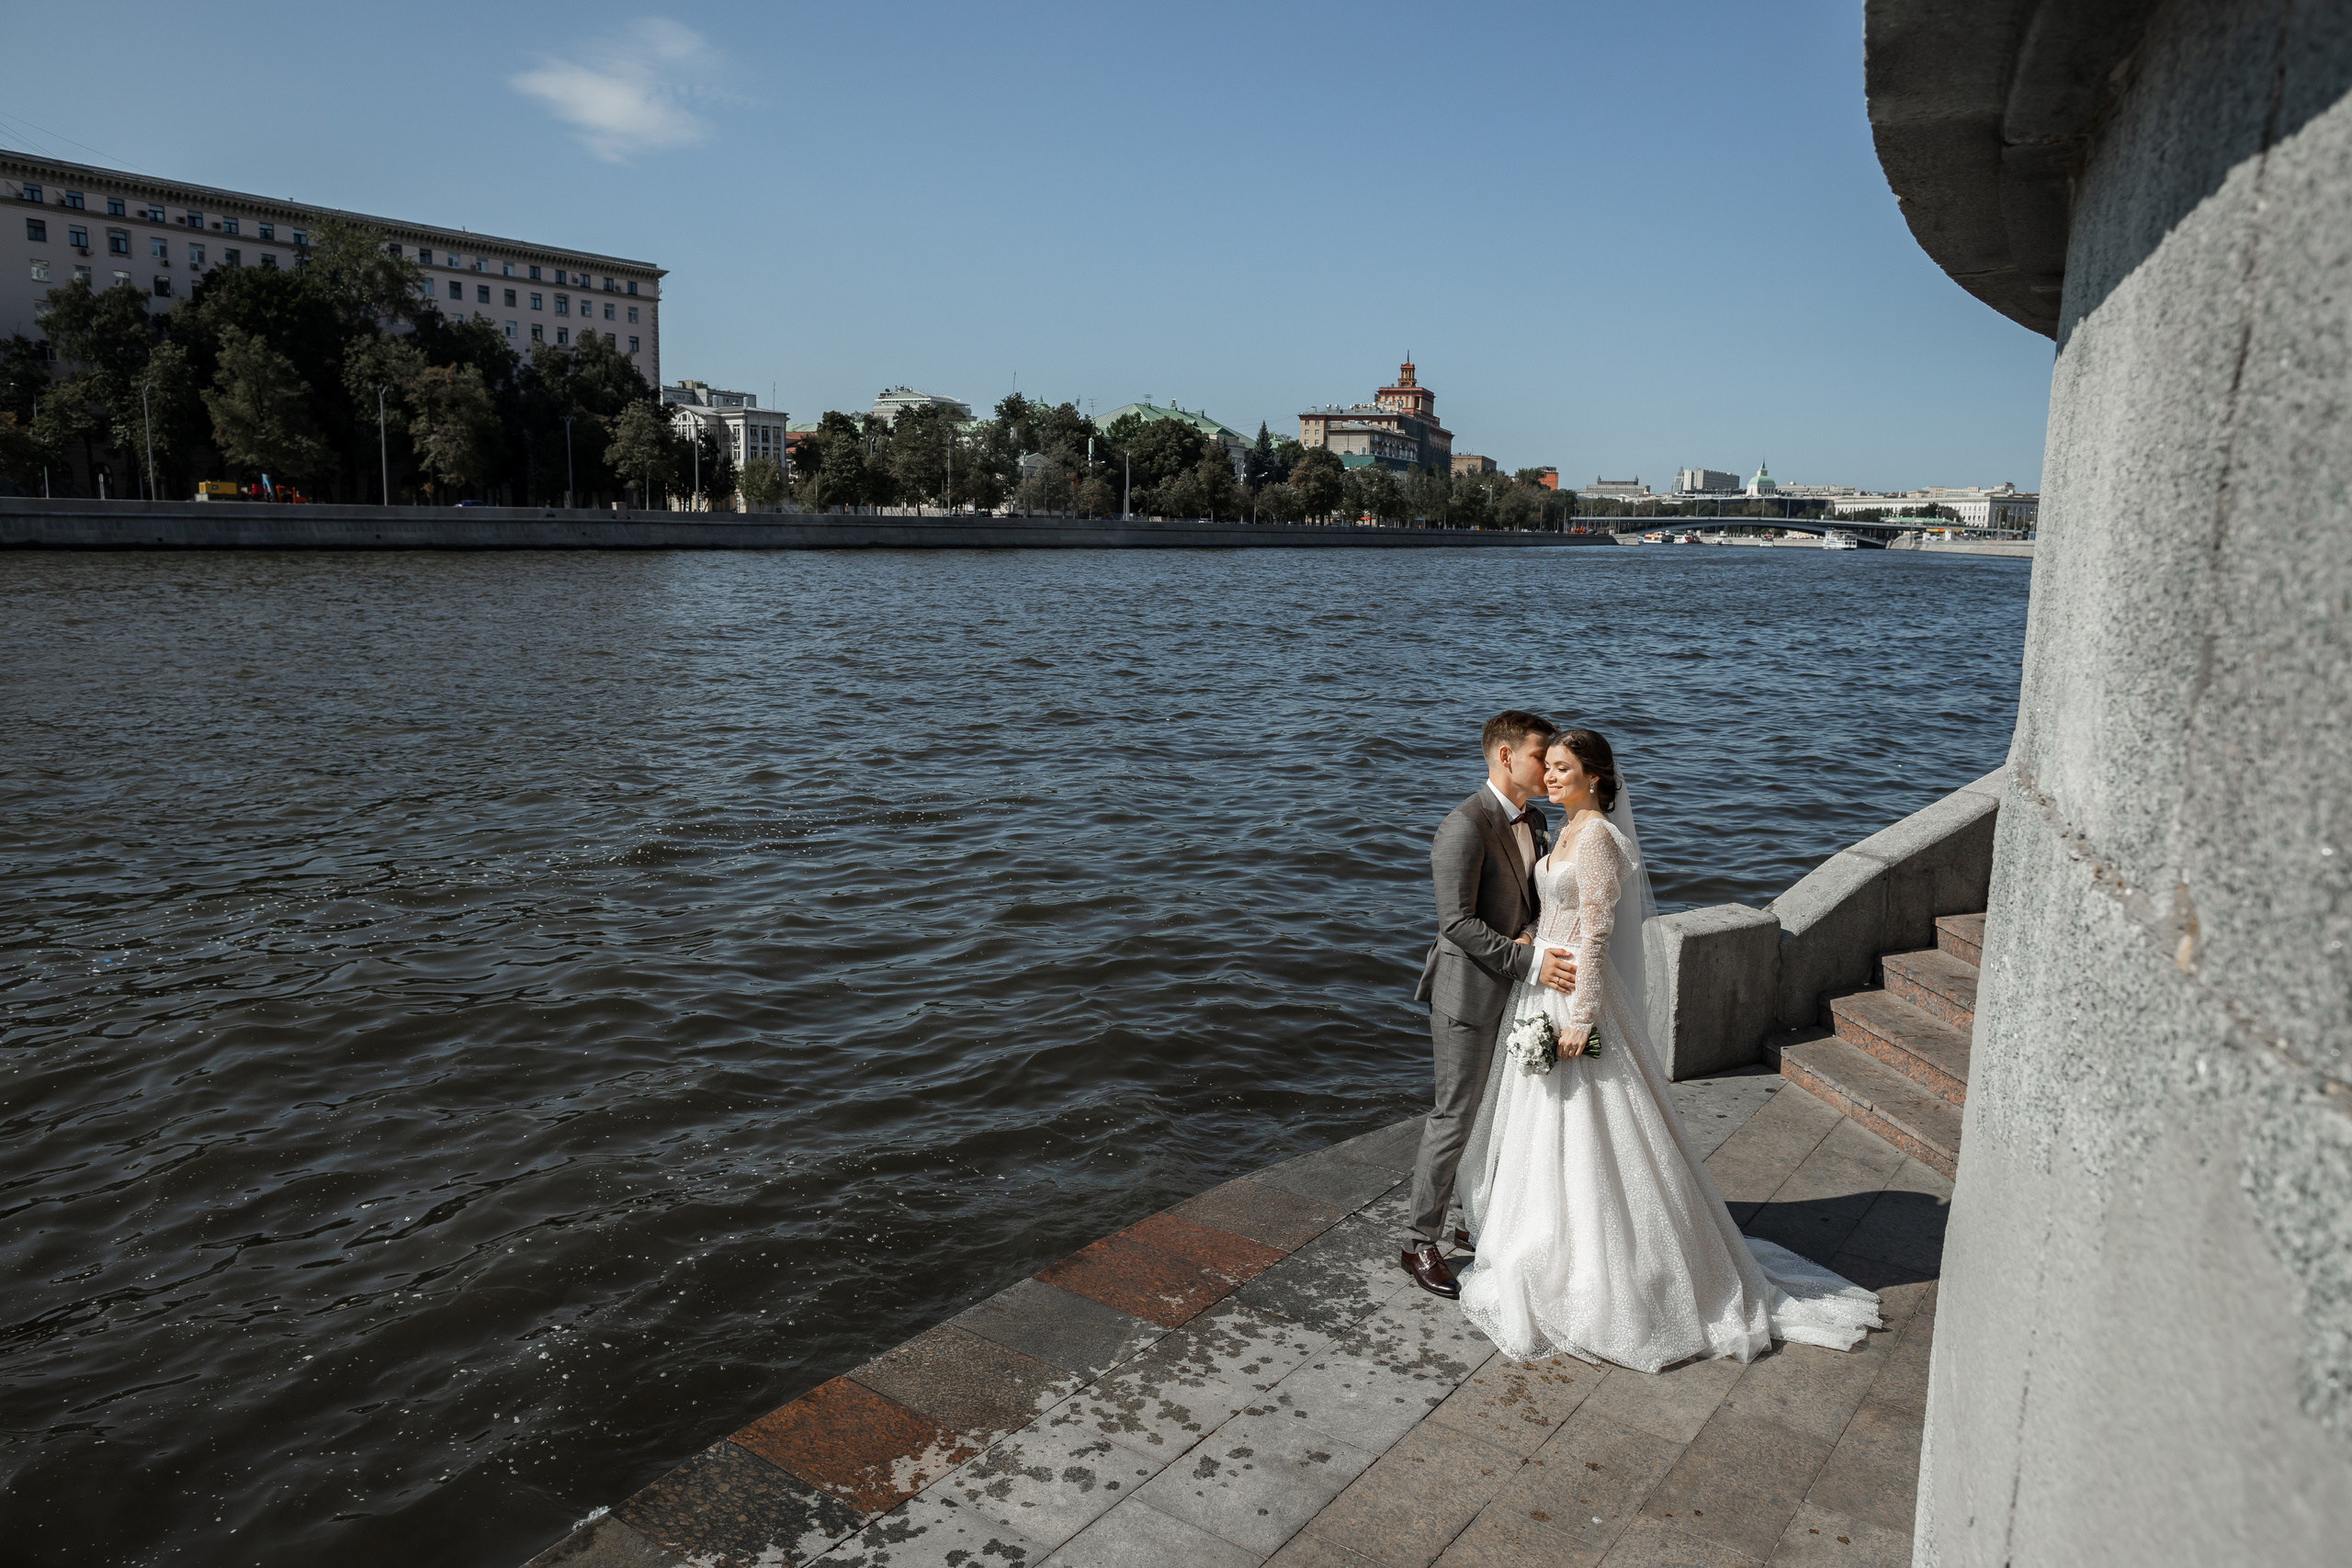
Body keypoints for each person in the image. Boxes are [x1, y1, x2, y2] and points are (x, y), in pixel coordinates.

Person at [1453, 728, 1883, 1368]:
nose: (1550, 776)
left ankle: (1614, 1272)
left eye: (1564, 768)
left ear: (1595, 777)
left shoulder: (1597, 837)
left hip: (1578, 996)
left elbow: (1597, 932)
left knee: (1597, 1126)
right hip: (1546, 982)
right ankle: (1541, 1233)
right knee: (1545, 1124)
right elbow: (1557, 915)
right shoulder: (1564, 829)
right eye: (1550, 767)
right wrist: (1531, 946)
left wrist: (1582, 1016)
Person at [1402, 711, 1579, 1301]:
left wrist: (1533, 932)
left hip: (1517, 993)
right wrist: (1526, 959)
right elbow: (1454, 923)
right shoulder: (1464, 826)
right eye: (1539, 756)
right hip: (1467, 996)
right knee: (1454, 1118)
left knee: (1501, 1113)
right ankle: (1417, 1242)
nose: (1549, 769)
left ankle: (1472, 1219)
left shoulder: (1536, 822)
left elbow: (1532, 899)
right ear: (1505, 757)